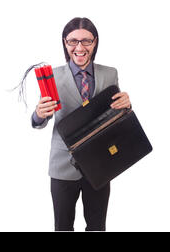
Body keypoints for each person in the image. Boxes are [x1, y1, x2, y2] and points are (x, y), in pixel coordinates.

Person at [31, 17, 131, 231]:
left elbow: (114, 116)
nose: (79, 47)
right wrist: (39, 114)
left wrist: (126, 106)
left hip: (100, 163)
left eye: (86, 41)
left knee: (97, 226)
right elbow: (42, 120)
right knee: (63, 227)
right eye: (72, 41)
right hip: (63, 165)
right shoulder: (53, 77)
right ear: (64, 43)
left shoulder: (109, 73)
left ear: (95, 42)